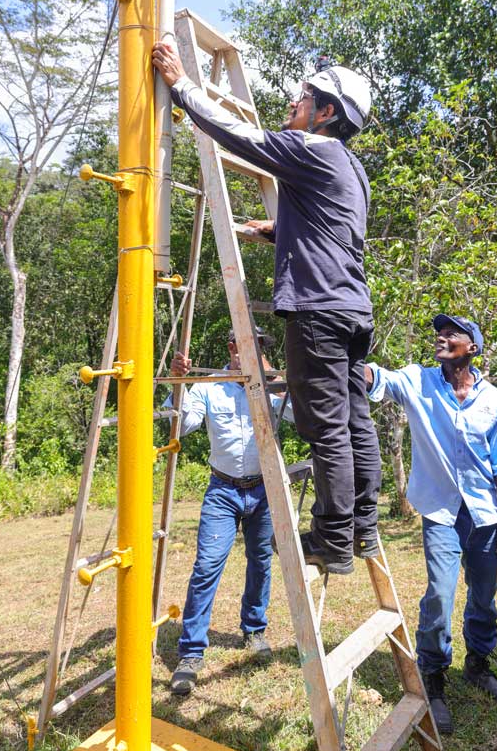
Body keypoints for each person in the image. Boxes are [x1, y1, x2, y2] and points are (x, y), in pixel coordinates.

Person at [152, 42, 381, 575]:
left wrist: (183, 86)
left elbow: (243, 138)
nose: (295, 102)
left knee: (326, 429)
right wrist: (277, 231)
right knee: (353, 422)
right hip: (350, 307)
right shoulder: (351, 167)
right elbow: (333, 229)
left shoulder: (312, 149)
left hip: (319, 309)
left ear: (327, 114)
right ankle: (362, 528)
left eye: (305, 97)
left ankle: (332, 540)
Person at [365, 314, 497, 734]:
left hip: (485, 515)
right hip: (440, 513)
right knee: (440, 594)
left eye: (453, 333)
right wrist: (336, 357)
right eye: (440, 331)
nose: (442, 337)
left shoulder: (494, 401)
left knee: (484, 597)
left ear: (472, 347)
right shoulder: (418, 381)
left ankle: (478, 665)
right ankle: (433, 676)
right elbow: (376, 377)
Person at [167, 327, 294, 695]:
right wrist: (178, 382)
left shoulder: (269, 387)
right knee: (207, 566)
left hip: (264, 489)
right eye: (244, 346)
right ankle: (191, 653)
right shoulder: (208, 385)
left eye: (258, 348)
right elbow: (183, 424)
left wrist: (274, 378)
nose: (250, 353)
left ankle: (254, 631)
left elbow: (297, 419)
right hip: (222, 490)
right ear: (231, 348)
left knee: (261, 561)